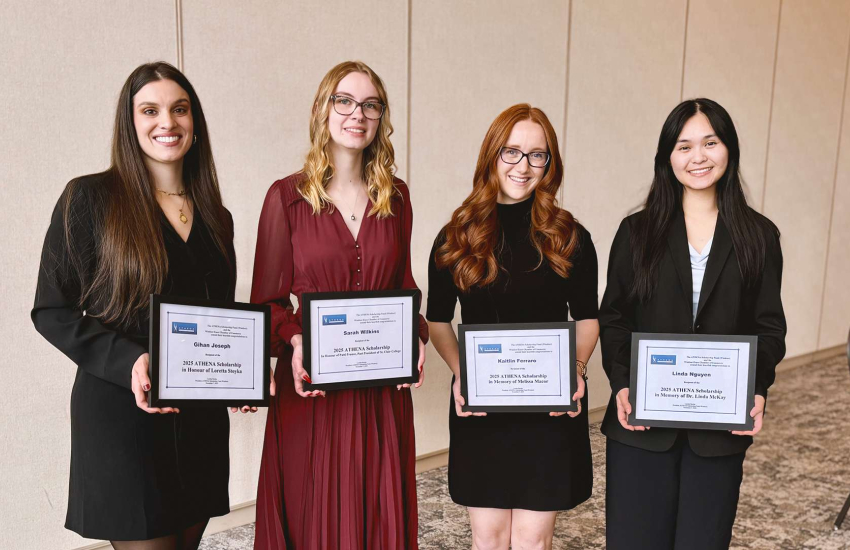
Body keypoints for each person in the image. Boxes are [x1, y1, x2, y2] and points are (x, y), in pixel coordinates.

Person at [32, 62, 236, 549]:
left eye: (179, 109)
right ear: (131, 123)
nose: (167, 122)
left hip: (199, 420)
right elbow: (51, 310)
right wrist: (130, 361)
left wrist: (241, 373)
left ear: (194, 121)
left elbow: (219, 319)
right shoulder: (90, 198)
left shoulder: (216, 216)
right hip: (123, 415)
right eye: (151, 110)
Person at [250, 60, 428, 549]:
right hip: (313, 393)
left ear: (381, 118)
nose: (358, 114)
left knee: (378, 514)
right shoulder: (285, 198)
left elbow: (406, 288)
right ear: (322, 109)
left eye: (371, 104)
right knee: (312, 517)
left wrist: (414, 334)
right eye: (344, 101)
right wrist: (296, 337)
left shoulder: (397, 198)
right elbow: (265, 302)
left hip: (380, 393)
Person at [599, 98, 787, 550]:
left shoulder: (759, 236)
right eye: (683, 146)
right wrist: (624, 383)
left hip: (718, 430)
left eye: (710, 142)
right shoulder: (636, 232)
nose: (697, 157)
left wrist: (756, 389)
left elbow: (769, 328)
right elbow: (615, 318)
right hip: (642, 426)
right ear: (668, 156)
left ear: (729, 149)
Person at [427, 104, 599, 549]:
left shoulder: (570, 236)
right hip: (482, 406)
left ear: (550, 163)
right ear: (491, 155)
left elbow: (587, 316)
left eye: (537, 155)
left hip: (548, 409)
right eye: (512, 152)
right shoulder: (456, 237)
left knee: (532, 541)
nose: (523, 166)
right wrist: (461, 371)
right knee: (488, 538)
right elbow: (439, 319)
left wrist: (576, 370)